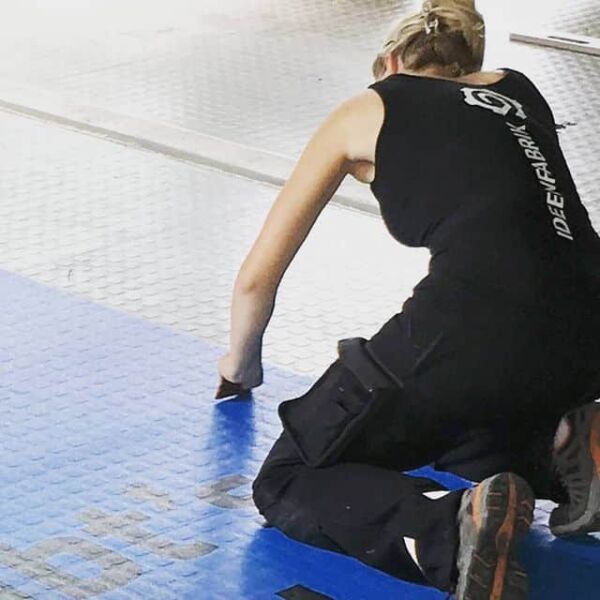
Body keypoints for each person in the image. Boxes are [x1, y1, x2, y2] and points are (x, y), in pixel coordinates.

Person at [216, 0, 600, 597]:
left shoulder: (368, 107)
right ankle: (566, 447)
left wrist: (239, 369)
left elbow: (255, 280)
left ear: (391, 62)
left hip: (476, 319)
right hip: (588, 336)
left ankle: (448, 531)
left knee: (289, 478)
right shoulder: (518, 90)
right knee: (465, 442)